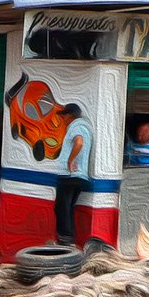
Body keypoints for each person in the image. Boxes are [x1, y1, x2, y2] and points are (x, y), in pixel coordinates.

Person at [54, 103, 92, 246]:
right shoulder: (86, 127)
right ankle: (68, 240)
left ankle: (65, 240)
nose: (63, 119)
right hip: (79, 176)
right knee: (68, 207)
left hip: (69, 175)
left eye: (63, 116)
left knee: (61, 207)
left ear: (69, 115)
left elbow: (79, 142)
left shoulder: (76, 126)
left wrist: (70, 161)